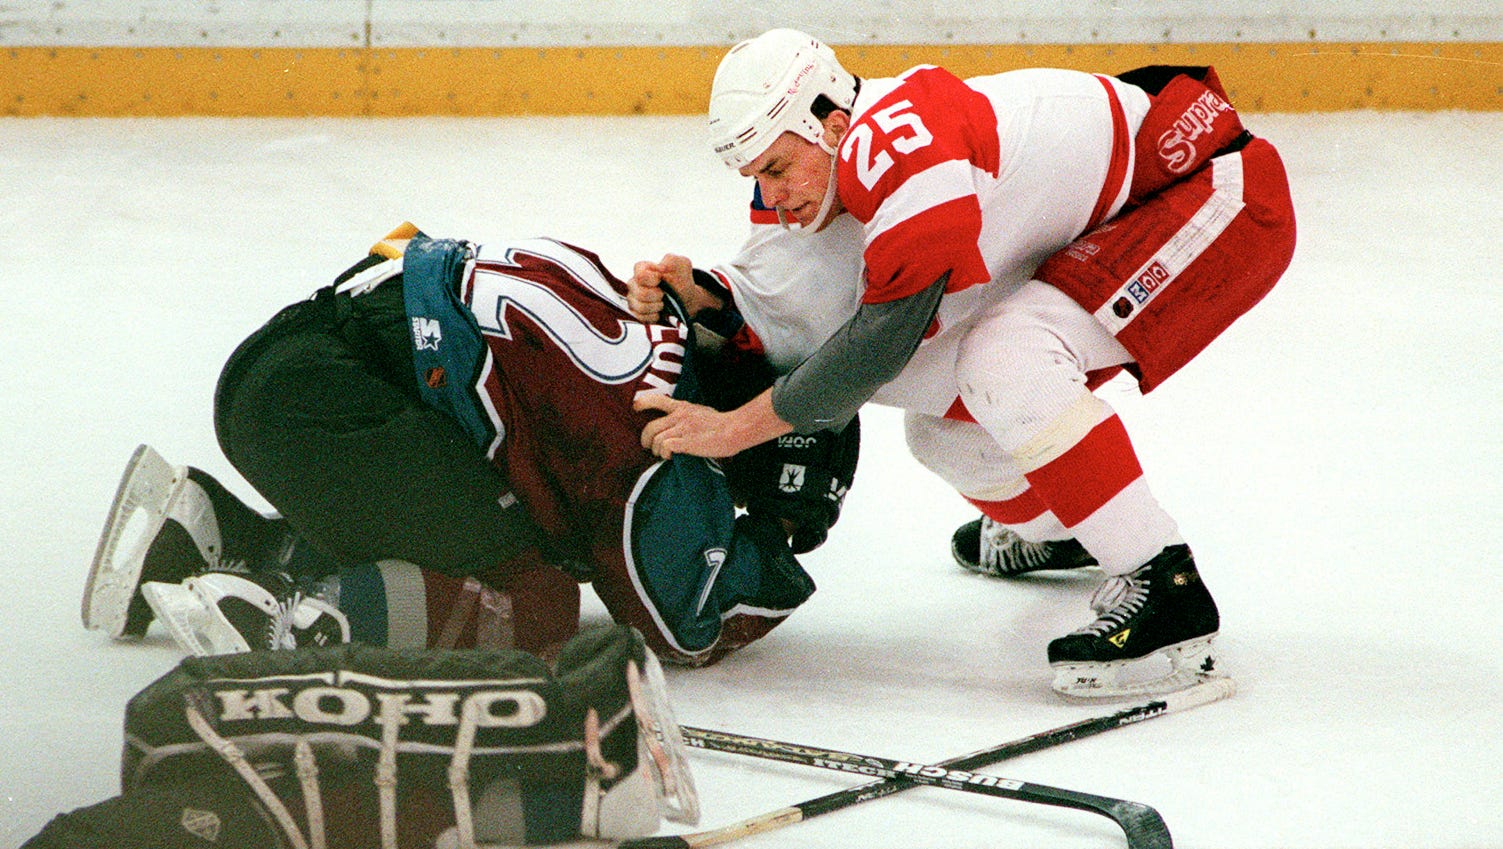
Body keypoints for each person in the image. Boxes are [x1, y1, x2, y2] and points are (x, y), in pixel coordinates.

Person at [629, 29, 1296, 697]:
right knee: (944, 431)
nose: (770, 196)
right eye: (755, 177)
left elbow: (874, 347)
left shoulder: (906, 155)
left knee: (1004, 358)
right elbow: (787, 312)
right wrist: (698, 297)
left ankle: (1167, 589)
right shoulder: (828, 165)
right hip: (1118, 218)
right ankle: (1069, 530)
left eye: (775, 169)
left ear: (831, 126)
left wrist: (730, 429)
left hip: (1214, 192)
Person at [82, 223, 859, 668]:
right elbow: (685, 626)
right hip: (327, 412)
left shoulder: (639, 306)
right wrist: (777, 536)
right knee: (536, 603)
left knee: (476, 531)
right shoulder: (664, 434)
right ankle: (295, 620)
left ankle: (207, 532)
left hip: (287, 368)